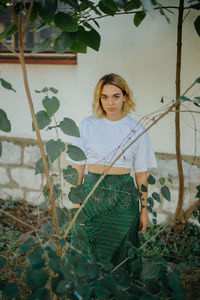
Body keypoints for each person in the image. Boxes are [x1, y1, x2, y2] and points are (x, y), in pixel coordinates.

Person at [67, 73, 157, 266]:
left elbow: (141, 174)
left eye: (116, 96)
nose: (110, 102)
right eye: (104, 97)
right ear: (99, 99)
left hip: (123, 199)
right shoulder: (87, 125)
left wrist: (144, 210)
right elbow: (78, 169)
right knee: (85, 248)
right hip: (92, 193)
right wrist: (75, 206)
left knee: (122, 255)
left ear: (125, 96)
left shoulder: (137, 129)